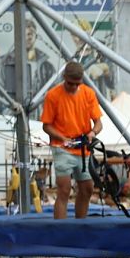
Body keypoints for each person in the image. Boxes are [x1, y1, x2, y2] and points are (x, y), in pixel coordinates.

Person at [40, 61, 103, 219]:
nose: (74, 87)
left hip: (82, 148)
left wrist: (92, 133)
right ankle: (61, 228)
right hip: (61, 147)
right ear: (64, 77)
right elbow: (46, 126)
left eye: (77, 84)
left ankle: (80, 223)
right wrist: (63, 138)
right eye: (70, 83)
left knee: (87, 188)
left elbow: (98, 123)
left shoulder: (88, 93)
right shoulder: (53, 95)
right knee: (64, 189)